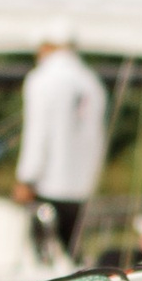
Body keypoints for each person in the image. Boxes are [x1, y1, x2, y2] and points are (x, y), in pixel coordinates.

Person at [14, 20, 108, 260]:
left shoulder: (42, 79)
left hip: (48, 184)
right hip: (82, 186)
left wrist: (27, 176)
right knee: (73, 255)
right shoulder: (92, 82)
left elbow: (38, 132)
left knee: (44, 259)